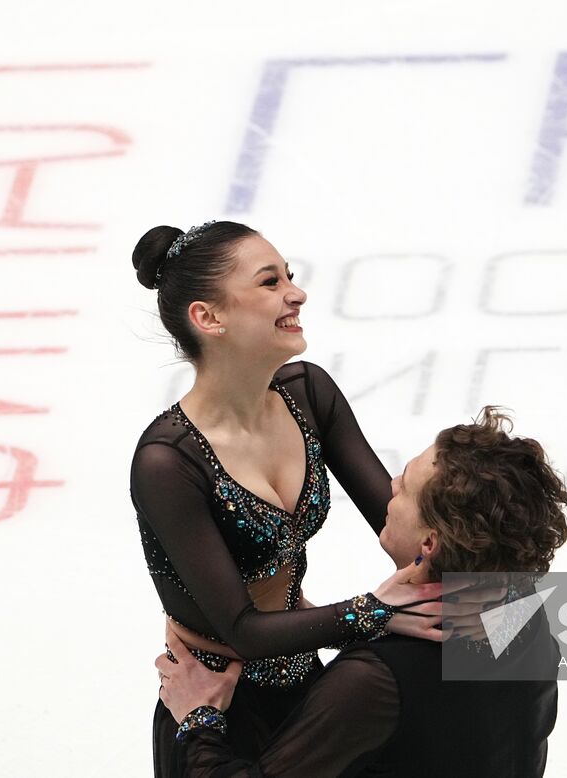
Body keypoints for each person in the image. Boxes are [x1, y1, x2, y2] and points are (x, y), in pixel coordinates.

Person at [128, 221, 443, 776]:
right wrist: (376, 612)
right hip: (216, 706)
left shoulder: (309, 393)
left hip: (311, 688)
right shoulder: (168, 461)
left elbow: (405, 528)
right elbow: (242, 629)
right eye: (270, 282)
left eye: (289, 277)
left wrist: (500, 593)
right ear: (209, 317)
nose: (297, 294)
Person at [156, 406, 567, 777]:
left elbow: (414, 688)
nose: (391, 485)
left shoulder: (373, 682)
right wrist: (334, 623)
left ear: (429, 543)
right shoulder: (525, 617)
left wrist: (198, 717)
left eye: (405, 486)